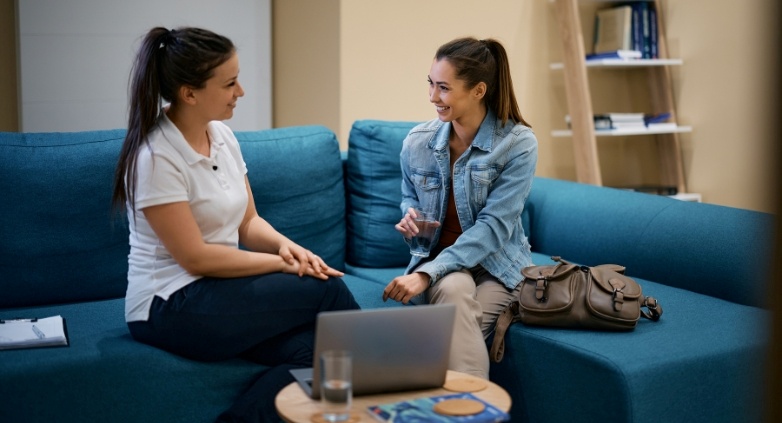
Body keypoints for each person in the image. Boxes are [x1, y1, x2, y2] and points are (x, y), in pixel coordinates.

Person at [111, 27, 360, 423]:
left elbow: (248, 222)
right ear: (189, 93)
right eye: (229, 83)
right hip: (168, 307)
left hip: (216, 292)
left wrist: (286, 247)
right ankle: (385, 385)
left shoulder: (222, 136)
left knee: (322, 352)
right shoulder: (156, 158)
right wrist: (282, 265)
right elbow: (196, 259)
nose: (240, 91)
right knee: (327, 290)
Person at [383, 37, 538, 379]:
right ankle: (474, 413)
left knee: (448, 329)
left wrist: (425, 275)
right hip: (443, 262)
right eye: (430, 84)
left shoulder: (517, 144)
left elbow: (495, 227)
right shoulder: (417, 142)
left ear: (479, 90)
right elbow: (409, 196)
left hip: (497, 267)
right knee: (453, 291)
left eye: (443, 88)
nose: (432, 97)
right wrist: (412, 219)